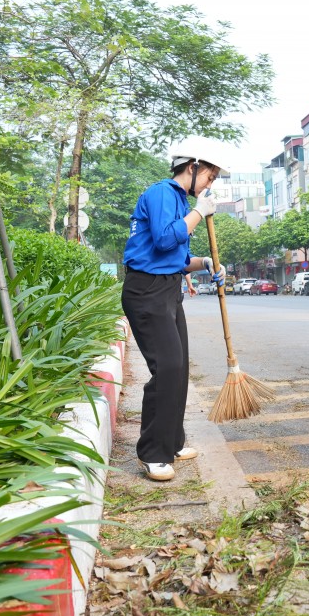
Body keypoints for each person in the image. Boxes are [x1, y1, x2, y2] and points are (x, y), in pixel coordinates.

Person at [121, 135, 231, 482]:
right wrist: (200, 212)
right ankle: (153, 452)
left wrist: (207, 263)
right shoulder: (161, 193)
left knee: (179, 367)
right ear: (193, 166)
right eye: (210, 177)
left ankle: (172, 440)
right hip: (145, 291)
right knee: (167, 367)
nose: (209, 185)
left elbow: (177, 259)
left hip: (168, 289)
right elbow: (166, 239)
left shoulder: (181, 203)